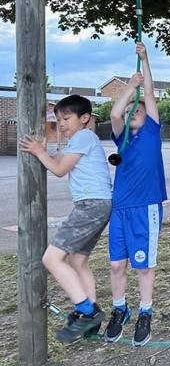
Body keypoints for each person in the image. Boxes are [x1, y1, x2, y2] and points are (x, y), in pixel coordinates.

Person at [18, 95, 112, 342]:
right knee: (77, 260)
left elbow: (59, 169)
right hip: (98, 204)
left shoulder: (83, 137)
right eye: (58, 119)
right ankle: (91, 316)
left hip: (91, 205)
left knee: (51, 258)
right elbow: (58, 158)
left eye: (66, 118)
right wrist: (46, 147)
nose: (61, 123)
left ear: (85, 118)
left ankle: (87, 310)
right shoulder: (78, 140)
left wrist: (39, 151)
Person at [106, 42, 167, 346]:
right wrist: (130, 89)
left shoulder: (152, 131)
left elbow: (150, 94)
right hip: (120, 208)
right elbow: (115, 113)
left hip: (146, 207)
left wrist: (144, 59)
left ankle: (145, 311)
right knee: (117, 264)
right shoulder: (121, 138)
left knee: (143, 265)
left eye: (139, 110)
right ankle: (120, 308)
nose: (134, 111)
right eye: (133, 109)